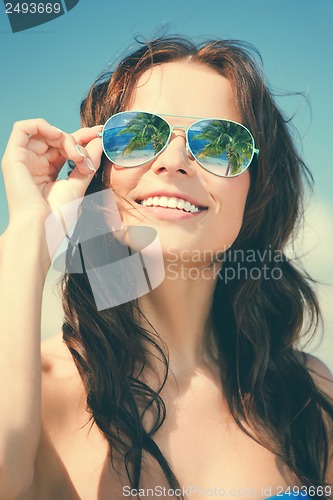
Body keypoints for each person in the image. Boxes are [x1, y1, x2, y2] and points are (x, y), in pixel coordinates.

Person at [0, 35, 333, 500]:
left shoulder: (306, 396)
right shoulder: (35, 391)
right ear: (96, 169)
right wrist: (31, 232)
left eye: (221, 143)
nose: (174, 161)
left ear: (256, 190)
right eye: (137, 134)